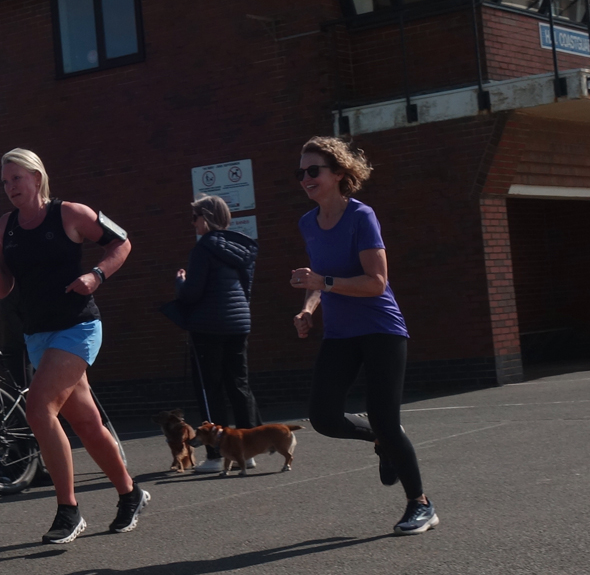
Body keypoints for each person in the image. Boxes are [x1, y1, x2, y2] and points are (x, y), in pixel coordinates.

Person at [0, 147, 149, 544]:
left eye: (16, 179)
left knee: (39, 410)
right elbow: (2, 290)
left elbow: (122, 243)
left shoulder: (70, 213)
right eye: (5, 182)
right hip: (37, 334)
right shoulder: (7, 226)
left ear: (36, 178)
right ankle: (131, 494)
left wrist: (97, 275)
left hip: (78, 327)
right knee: (86, 423)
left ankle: (68, 511)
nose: (10, 188)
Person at [290, 135, 439, 536]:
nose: (305, 178)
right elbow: (321, 280)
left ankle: (420, 504)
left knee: (387, 418)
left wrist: (322, 280)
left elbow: (375, 282)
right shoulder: (308, 223)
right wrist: (308, 307)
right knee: (322, 416)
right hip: (339, 334)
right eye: (300, 172)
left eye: (313, 170)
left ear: (338, 173)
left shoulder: (361, 216)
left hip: (380, 330)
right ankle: (380, 438)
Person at [171, 194, 263, 473]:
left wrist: (180, 283)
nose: (193, 223)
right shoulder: (241, 248)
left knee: (210, 390)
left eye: (195, 217)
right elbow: (245, 290)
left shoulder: (203, 249)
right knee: (239, 386)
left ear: (206, 218)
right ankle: (248, 452)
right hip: (238, 323)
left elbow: (193, 292)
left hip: (208, 325)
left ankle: (215, 455)